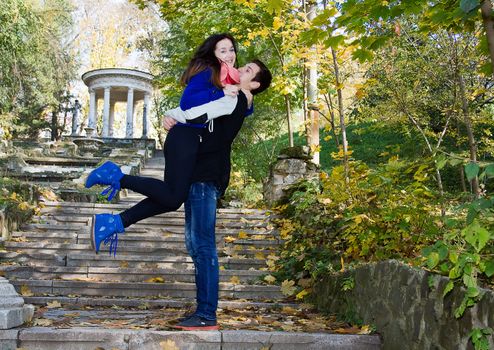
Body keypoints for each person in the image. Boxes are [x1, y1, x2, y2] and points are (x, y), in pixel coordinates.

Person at [85, 33, 244, 255]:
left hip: (191, 141)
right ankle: (116, 178)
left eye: (232, 49)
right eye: (223, 50)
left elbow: (227, 112)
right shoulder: (209, 73)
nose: (229, 54)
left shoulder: (227, 80)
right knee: (172, 197)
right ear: (213, 55)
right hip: (184, 137)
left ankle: (112, 223)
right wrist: (219, 92)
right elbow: (187, 102)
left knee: (172, 198)